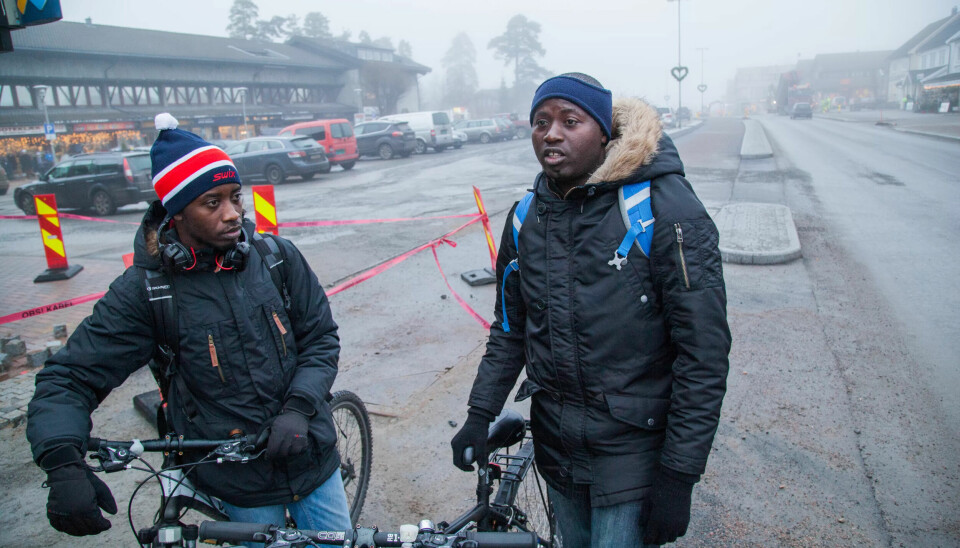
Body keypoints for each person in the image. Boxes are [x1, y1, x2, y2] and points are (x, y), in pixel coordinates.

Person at [26, 113, 351, 542]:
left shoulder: (277, 257)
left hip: (313, 460)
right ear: (177, 213)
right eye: (212, 202)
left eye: (236, 196)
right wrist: (62, 463)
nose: (233, 214)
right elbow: (68, 378)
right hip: (235, 484)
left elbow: (321, 337)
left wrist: (301, 406)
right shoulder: (146, 293)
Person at [451, 73, 731, 547]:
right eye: (541, 121)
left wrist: (679, 476)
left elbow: (703, 355)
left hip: (633, 458)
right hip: (559, 454)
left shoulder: (663, 206)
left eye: (570, 120)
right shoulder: (525, 217)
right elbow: (510, 328)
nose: (551, 133)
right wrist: (480, 412)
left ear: (604, 132)